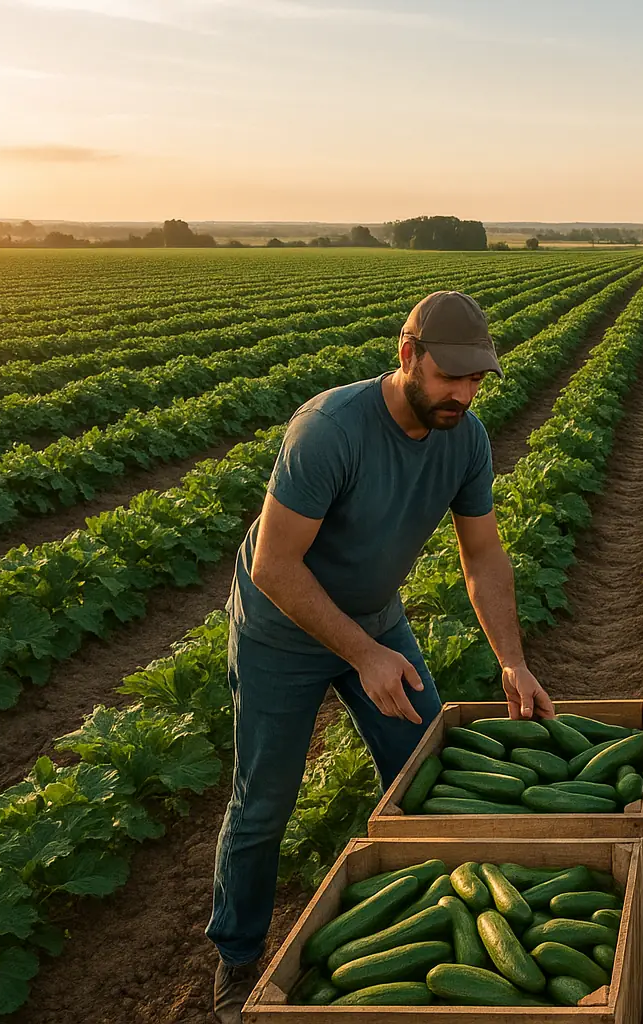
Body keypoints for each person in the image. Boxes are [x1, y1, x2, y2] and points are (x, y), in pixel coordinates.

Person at [208, 291, 554, 1023]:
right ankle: (238, 958)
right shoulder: (329, 430)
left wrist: (513, 661)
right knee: (263, 805)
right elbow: (274, 566)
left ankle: (437, 925)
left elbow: (483, 557)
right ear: (407, 358)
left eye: (475, 381)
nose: (463, 394)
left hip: (373, 618)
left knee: (423, 765)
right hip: (281, 630)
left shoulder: (466, 439)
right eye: (449, 378)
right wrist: (363, 654)